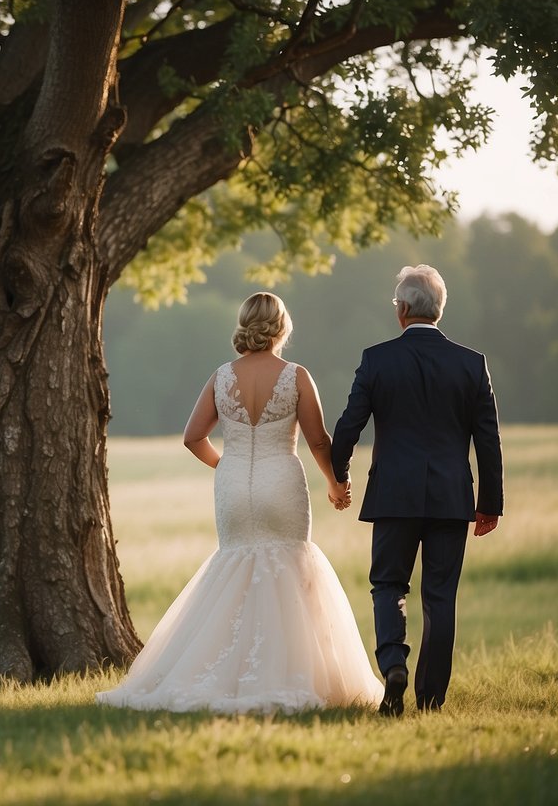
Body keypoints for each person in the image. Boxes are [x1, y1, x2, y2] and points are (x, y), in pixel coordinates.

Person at [97, 292, 383, 714]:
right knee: (290, 568)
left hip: (233, 484)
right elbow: (319, 439)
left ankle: (221, 673)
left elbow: (193, 436)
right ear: (281, 327)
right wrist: (336, 483)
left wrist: (224, 466)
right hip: (281, 480)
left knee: (234, 568)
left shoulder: (221, 376)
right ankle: (291, 672)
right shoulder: (296, 375)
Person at [331, 264, 504, 717]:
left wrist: (340, 473)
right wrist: (490, 505)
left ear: (403, 309)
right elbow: (488, 438)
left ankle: (392, 665)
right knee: (440, 596)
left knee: (388, 584)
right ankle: (430, 700)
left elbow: (349, 425)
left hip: (393, 496)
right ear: (438, 310)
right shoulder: (472, 364)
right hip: (451, 498)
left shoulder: (377, 359)